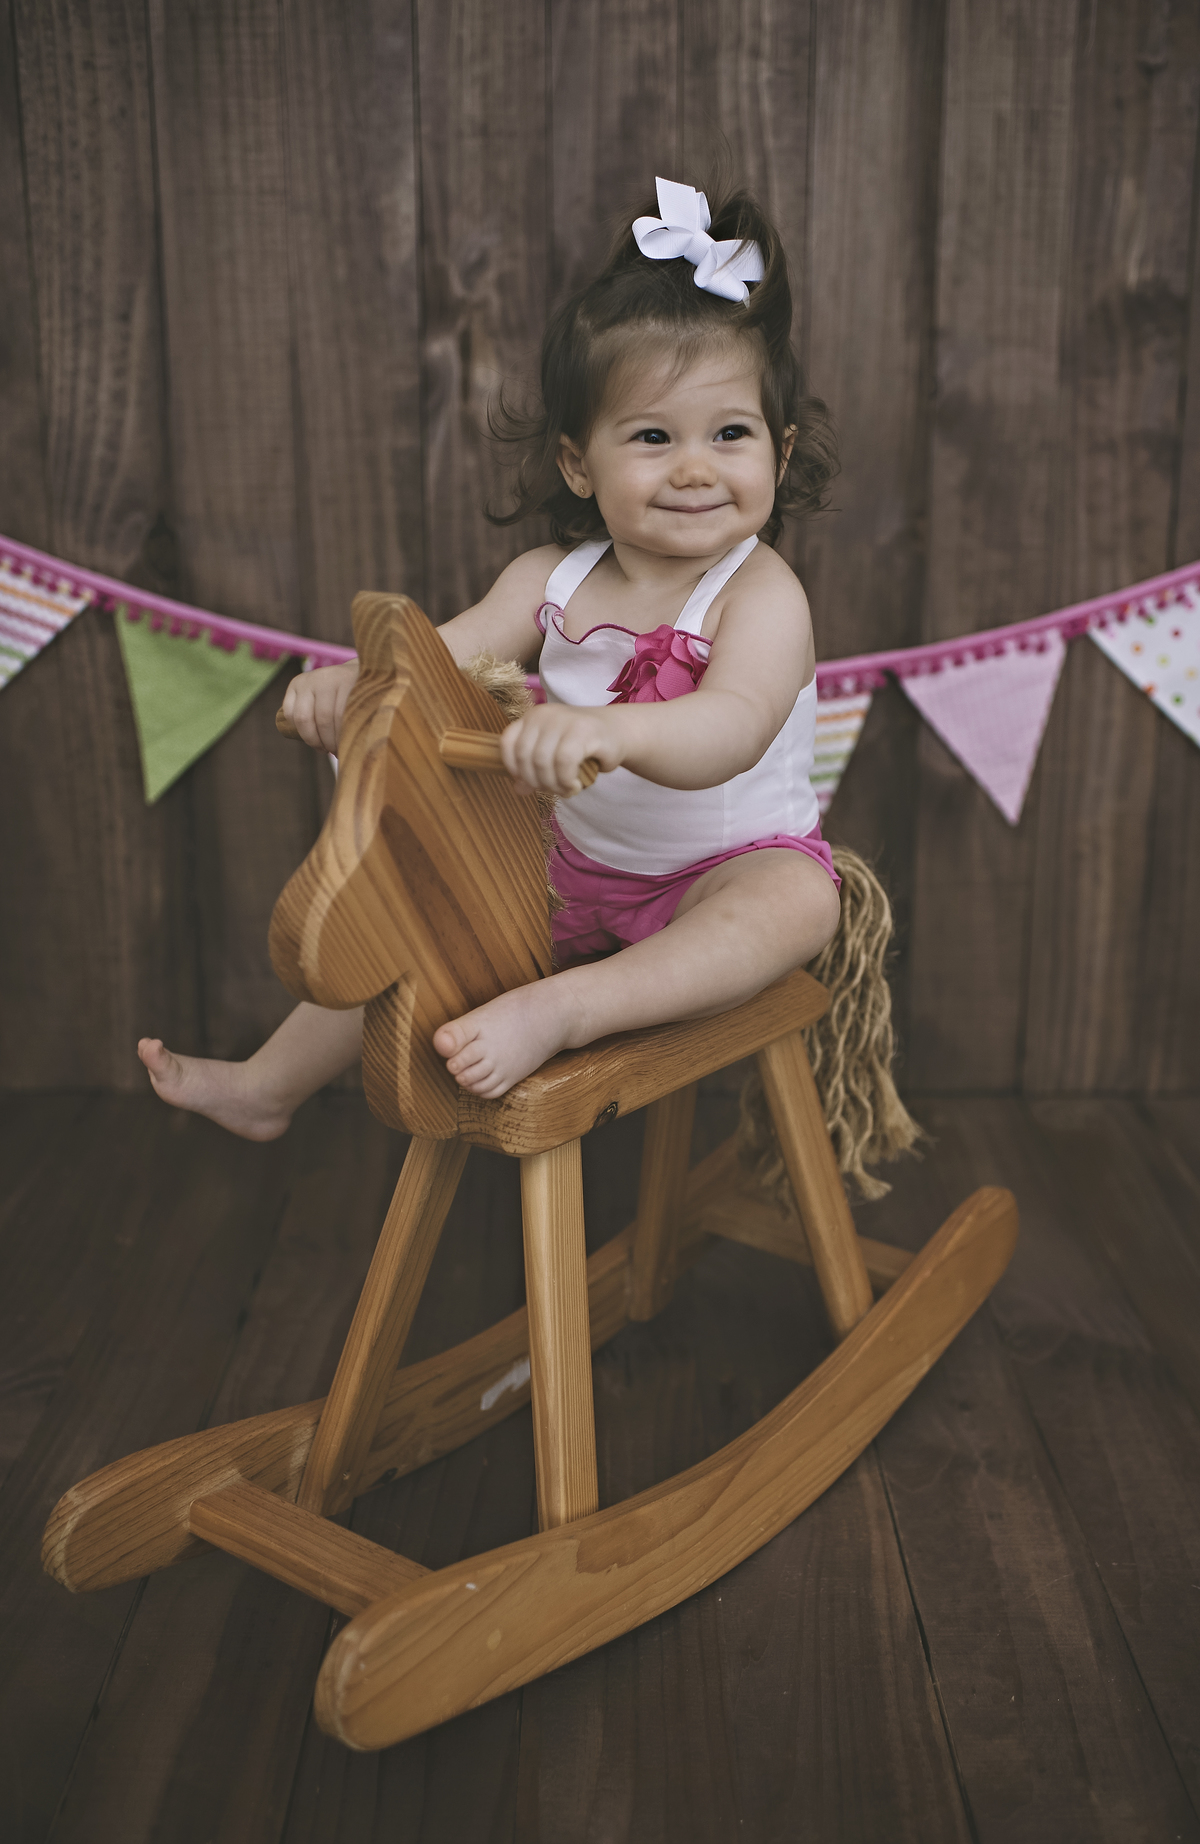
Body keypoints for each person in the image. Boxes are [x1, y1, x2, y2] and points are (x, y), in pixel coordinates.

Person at [139, 174, 842, 1136]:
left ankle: (568, 1007)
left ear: (781, 446)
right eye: (651, 436)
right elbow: (441, 664)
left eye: (731, 434)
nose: (694, 467)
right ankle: (269, 1088)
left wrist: (609, 728)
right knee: (420, 908)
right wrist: (361, 688)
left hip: (721, 868)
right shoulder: (548, 581)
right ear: (576, 463)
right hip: (565, 866)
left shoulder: (761, 594)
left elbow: (732, 728)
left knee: (796, 904)